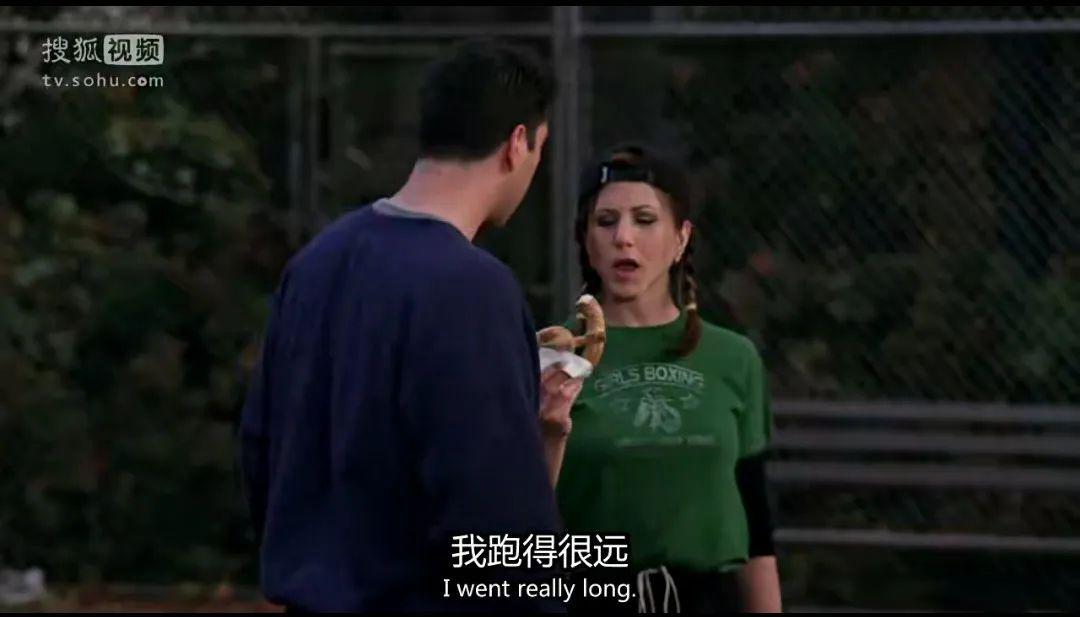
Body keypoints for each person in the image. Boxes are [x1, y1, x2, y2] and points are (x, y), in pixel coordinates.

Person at [239, 38, 583, 613]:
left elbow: (261, 448)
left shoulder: (317, 262)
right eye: (540, 150)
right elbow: (493, 506)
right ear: (517, 143)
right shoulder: (471, 287)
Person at [542, 143, 783, 613]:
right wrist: (548, 432)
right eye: (605, 221)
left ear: (681, 238)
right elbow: (514, 525)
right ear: (586, 240)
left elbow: (756, 524)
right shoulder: (556, 358)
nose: (623, 238)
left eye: (645, 220)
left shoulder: (733, 358)